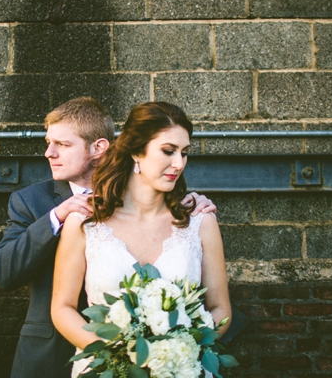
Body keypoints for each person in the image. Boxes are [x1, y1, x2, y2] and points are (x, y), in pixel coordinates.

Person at [0, 97, 217, 378]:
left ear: (98, 147)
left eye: (62, 144)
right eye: (49, 143)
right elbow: (4, 274)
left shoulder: (161, 198)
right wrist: (56, 218)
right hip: (50, 358)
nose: (49, 153)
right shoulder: (32, 201)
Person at [51, 102, 231, 377]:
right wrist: (121, 357)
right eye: (168, 151)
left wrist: (177, 353)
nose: (179, 163)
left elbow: (219, 308)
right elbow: (62, 309)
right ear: (136, 150)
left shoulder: (200, 222)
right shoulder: (86, 222)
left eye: (184, 153)